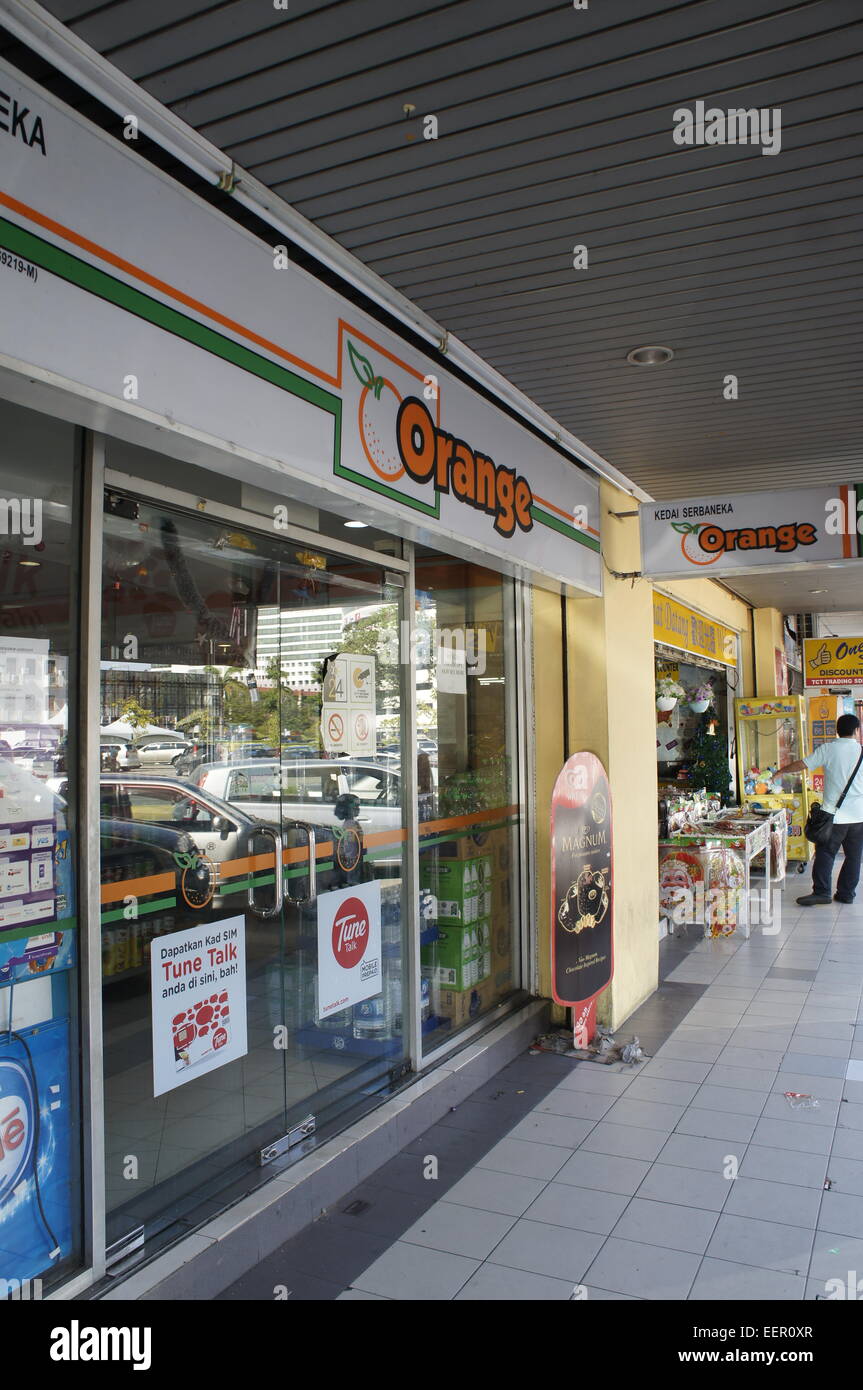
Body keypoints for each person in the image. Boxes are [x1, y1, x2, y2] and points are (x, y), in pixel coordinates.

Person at [780, 713, 863, 906]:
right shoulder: (861, 751)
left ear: (837, 730)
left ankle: (822, 892)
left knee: (826, 852)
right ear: (856, 731)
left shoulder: (829, 749)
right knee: (854, 856)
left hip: (833, 815)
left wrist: (781, 771)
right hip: (859, 816)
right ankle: (846, 894)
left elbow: (803, 764)